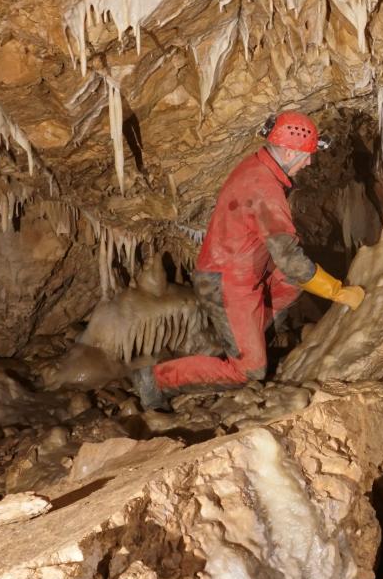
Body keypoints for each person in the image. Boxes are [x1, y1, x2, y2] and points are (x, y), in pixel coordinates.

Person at [129, 111, 365, 408]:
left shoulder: (259, 168)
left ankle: (242, 340)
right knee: (250, 371)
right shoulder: (263, 188)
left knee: (293, 279)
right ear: (289, 151)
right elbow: (289, 258)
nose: (309, 162)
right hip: (227, 283)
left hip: (247, 272)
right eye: (306, 155)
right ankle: (155, 379)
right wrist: (337, 291)